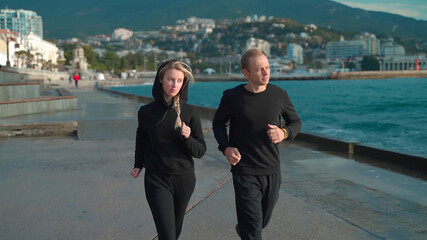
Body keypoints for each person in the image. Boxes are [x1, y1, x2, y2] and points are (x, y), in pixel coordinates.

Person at [212, 49, 301, 239]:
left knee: (261, 222)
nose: (266, 72)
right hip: (244, 171)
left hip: (272, 170)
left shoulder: (280, 95)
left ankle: (244, 229)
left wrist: (283, 132)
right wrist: (226, 147)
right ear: (246, 73)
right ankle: (248, 230)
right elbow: (218, 124)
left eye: (267, 67)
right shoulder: (232, 97)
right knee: (253, 228)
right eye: (259, 69)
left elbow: (296, 123)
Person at [130, 59, 206, 240]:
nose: (175, 85)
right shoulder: (146, 112)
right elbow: (141, 139)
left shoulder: (190, 113)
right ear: (160, 80)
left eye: (179, 81)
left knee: (174, 231)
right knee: (167, 235)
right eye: (171, 79)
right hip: (156, 179)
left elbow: (200, 150)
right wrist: (138, 164)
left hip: (184, 180)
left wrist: (187, 138)